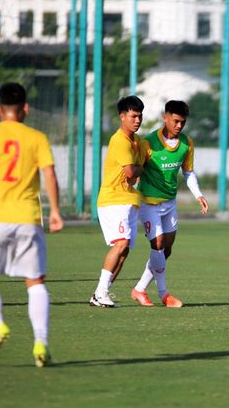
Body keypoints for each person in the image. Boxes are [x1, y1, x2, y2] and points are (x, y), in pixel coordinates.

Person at [0, 83, 63, 367]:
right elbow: (50, 175)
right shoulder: (37, 137)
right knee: (35, 283)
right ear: (25, 109)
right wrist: (55, 211)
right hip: (29, 218)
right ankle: (40, 342)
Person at [130, 100, 208, 308]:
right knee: (157, 244)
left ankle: (139, 289)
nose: (179, 126)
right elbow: (135, 170)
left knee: (166, 250)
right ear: (165, 117)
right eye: (175, 121)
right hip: (148, 203)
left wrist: (198, 195)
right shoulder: (148, 143)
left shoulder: (186, 143)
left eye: (183, 122)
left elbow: (188, 172)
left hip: (169, 203)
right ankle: (164, 294)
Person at [89, 95, 145, 308]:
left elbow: (134, 174)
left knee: (125, 250)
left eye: (139, 116)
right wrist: (143, 167)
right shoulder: (119, 140)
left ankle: (100, 294)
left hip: (130, 199)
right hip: (113, 199)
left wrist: (139, 169)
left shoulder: (137, 141)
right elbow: (132, 172)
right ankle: (101, 291)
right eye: (133, 116)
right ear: (122, 117)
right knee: (120, 243)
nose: (137, 120)